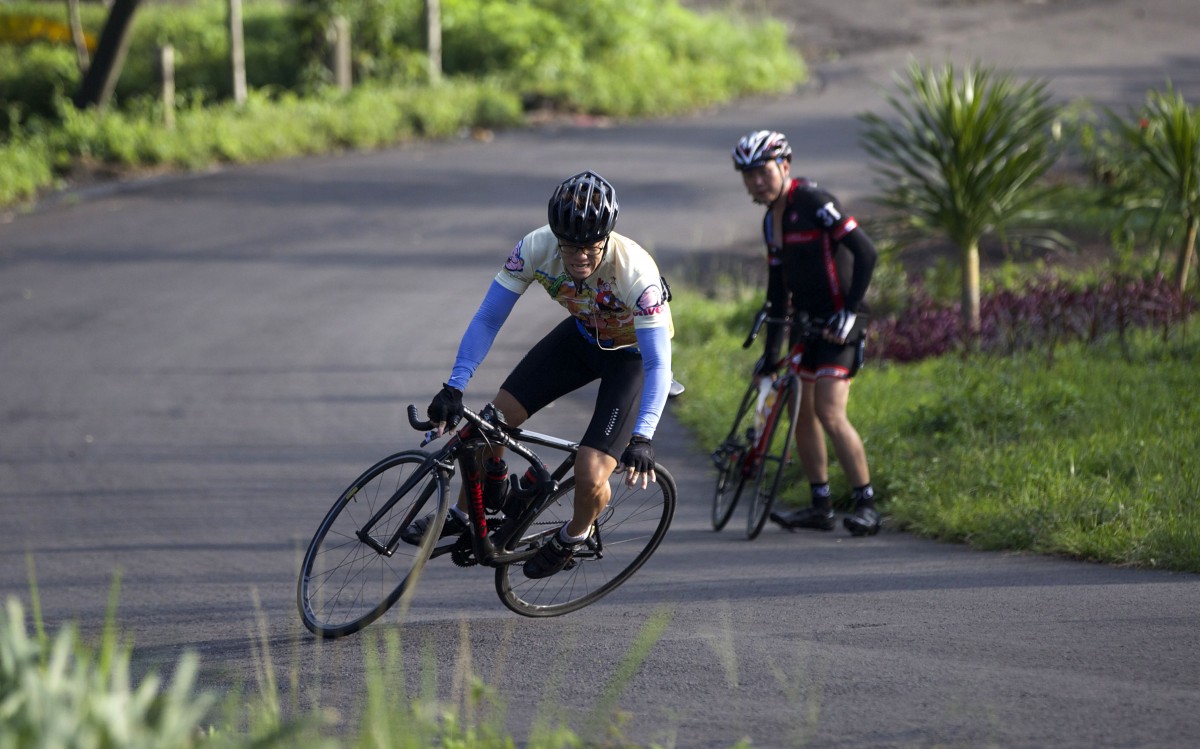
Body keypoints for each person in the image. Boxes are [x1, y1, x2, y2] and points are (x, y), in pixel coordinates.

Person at [404, 169, 674, 578]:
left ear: (607, 237)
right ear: (555, 236)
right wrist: (454, 385)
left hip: (632, 357)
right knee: (488, 426)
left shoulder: (637, 273)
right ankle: (467, 509)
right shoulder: (534, 247)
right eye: (570, 247)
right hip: (582, 337)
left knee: (589, 470)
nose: (580, 257)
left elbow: (658, 363)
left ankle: (574, 535)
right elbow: (488, 318)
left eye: (591, 247)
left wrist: (643, 437)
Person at [730, 129, 880, 536]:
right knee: (802, 417)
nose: (756, 181)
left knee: (830, 412)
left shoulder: (814, 202)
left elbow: (866, 251)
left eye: (762, 171)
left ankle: (867, 504)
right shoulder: (769, 222)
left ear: (784, 166)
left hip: (840, 324)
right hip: (805, 325)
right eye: (748, 175)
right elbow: (777, 292)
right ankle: (821, 505)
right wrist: (773, 351)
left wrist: (850, 312)